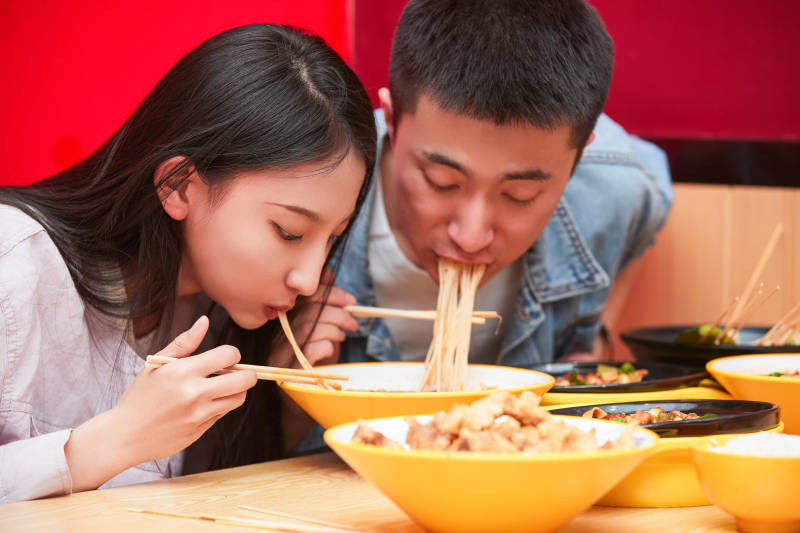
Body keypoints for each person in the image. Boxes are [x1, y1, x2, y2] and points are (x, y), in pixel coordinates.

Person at [0, 23, 376, 503]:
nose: (308, 279)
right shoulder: (14, 261)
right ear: (179, 184)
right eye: (290, 232)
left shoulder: (228, 321)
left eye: (333, 238)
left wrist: (286, 407)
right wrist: (113, 440)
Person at [313, 0, 673, 373]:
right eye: (442, 182)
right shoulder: (310, 186)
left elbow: (651, 189)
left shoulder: (614, 183)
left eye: (520, 195)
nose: (470, 238)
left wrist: (601, 333)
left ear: (578, 159)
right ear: (392, 120)